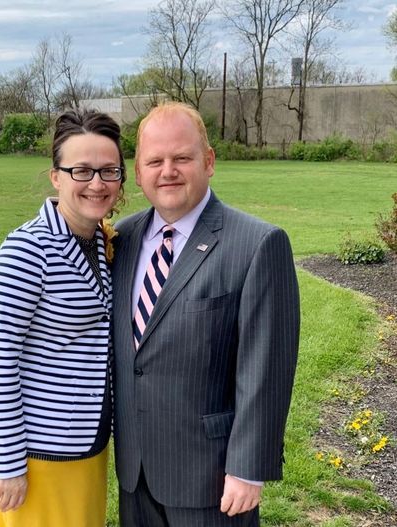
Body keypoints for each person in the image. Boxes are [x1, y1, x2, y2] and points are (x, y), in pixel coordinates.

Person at [111, 102, 300, 527]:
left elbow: (267, 367)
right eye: (154, 161)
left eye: (182, 158)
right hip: (135, 473)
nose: (168, 171)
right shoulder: (120, 239)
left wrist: (248, 466)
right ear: (138, 172)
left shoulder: (257, 244)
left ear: (209, 161)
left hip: (211, 479)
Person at [0, 108, 125, 527]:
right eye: (81, 170)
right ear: (56, 177)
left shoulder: (101, 240)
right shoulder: (25, 252)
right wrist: (8, 462)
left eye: (108, 170)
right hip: (37, 454)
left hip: (88, 445)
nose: (96, 183)